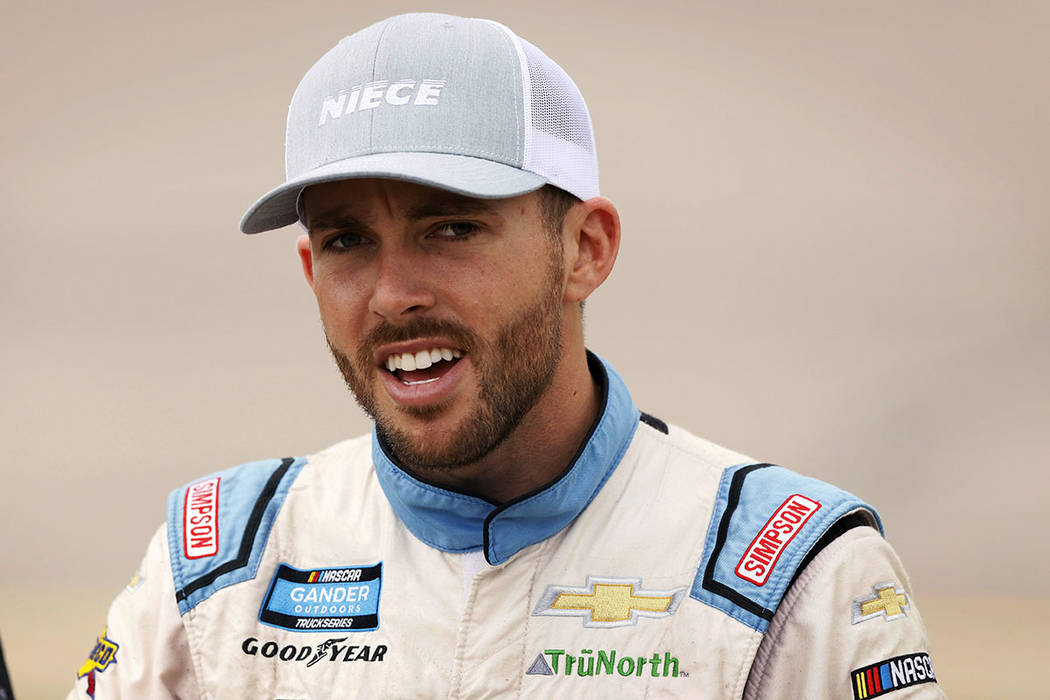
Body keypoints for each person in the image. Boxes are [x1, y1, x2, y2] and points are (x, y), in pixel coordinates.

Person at [70, 12, 944, 699]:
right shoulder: (217, 566)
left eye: (451, 227)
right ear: (308, 270)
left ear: (586, 249)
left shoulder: (795, 576)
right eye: (346, 241)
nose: (391, 293)